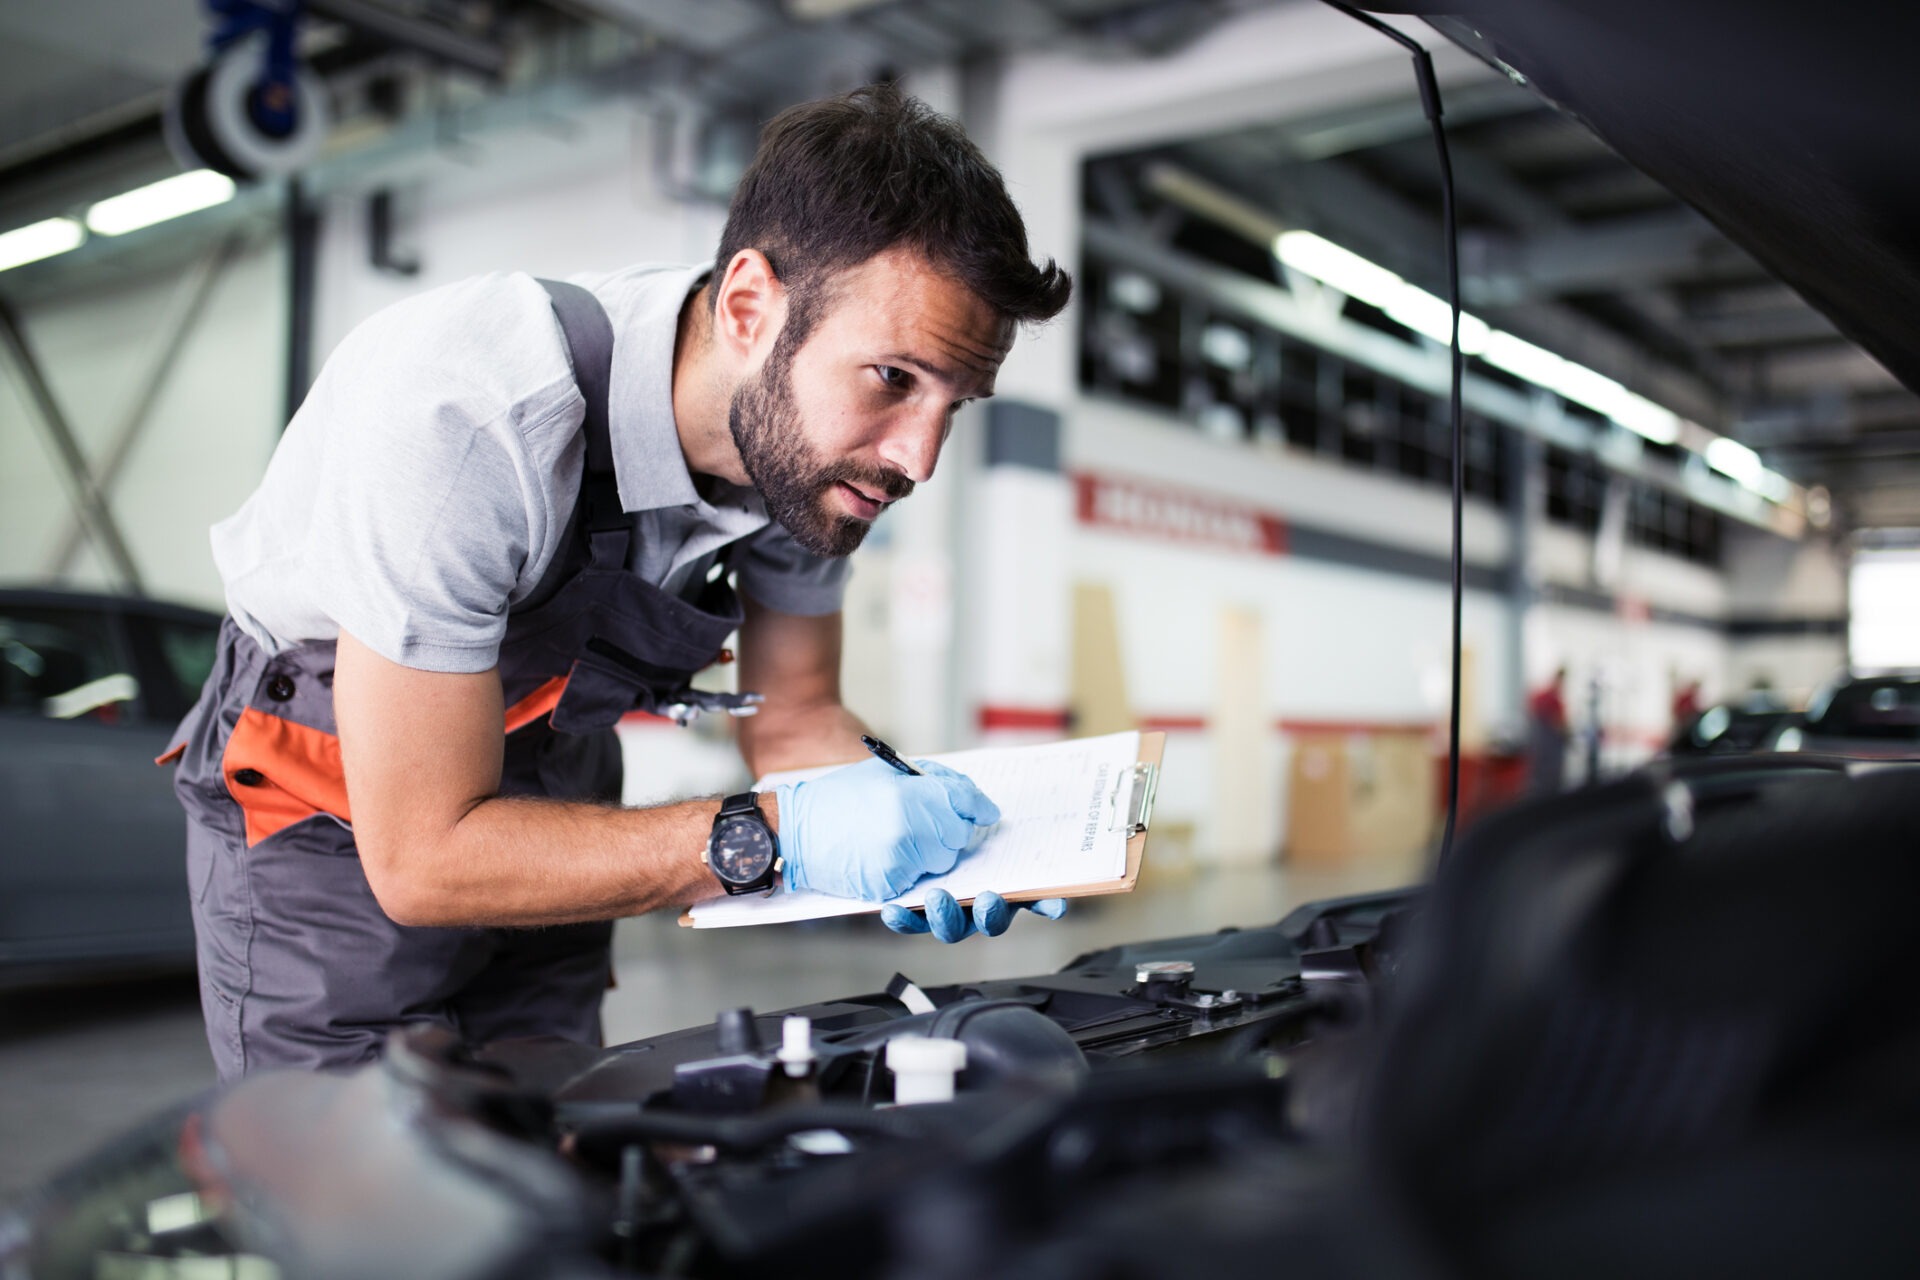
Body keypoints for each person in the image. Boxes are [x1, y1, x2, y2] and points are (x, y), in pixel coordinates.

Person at [161, 85, 1073, 1079]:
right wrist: (776, 837)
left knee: (564, 1145)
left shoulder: (814, 464)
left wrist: (927, 830)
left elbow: (799, 714)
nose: (917, 459)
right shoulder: (465, 420)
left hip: (558, 774)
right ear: (748, 306)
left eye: (957, 401)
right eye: (894, 378)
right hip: (331, 804)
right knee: (359, 1194)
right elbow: (422, 855)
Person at [1525, 667, 1570, 795]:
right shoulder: (1552, 698)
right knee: (1550, 778)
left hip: (1541, 746)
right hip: (1549, 747)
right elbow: (1558, 723)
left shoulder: (1542, 696)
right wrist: (1567, 735)